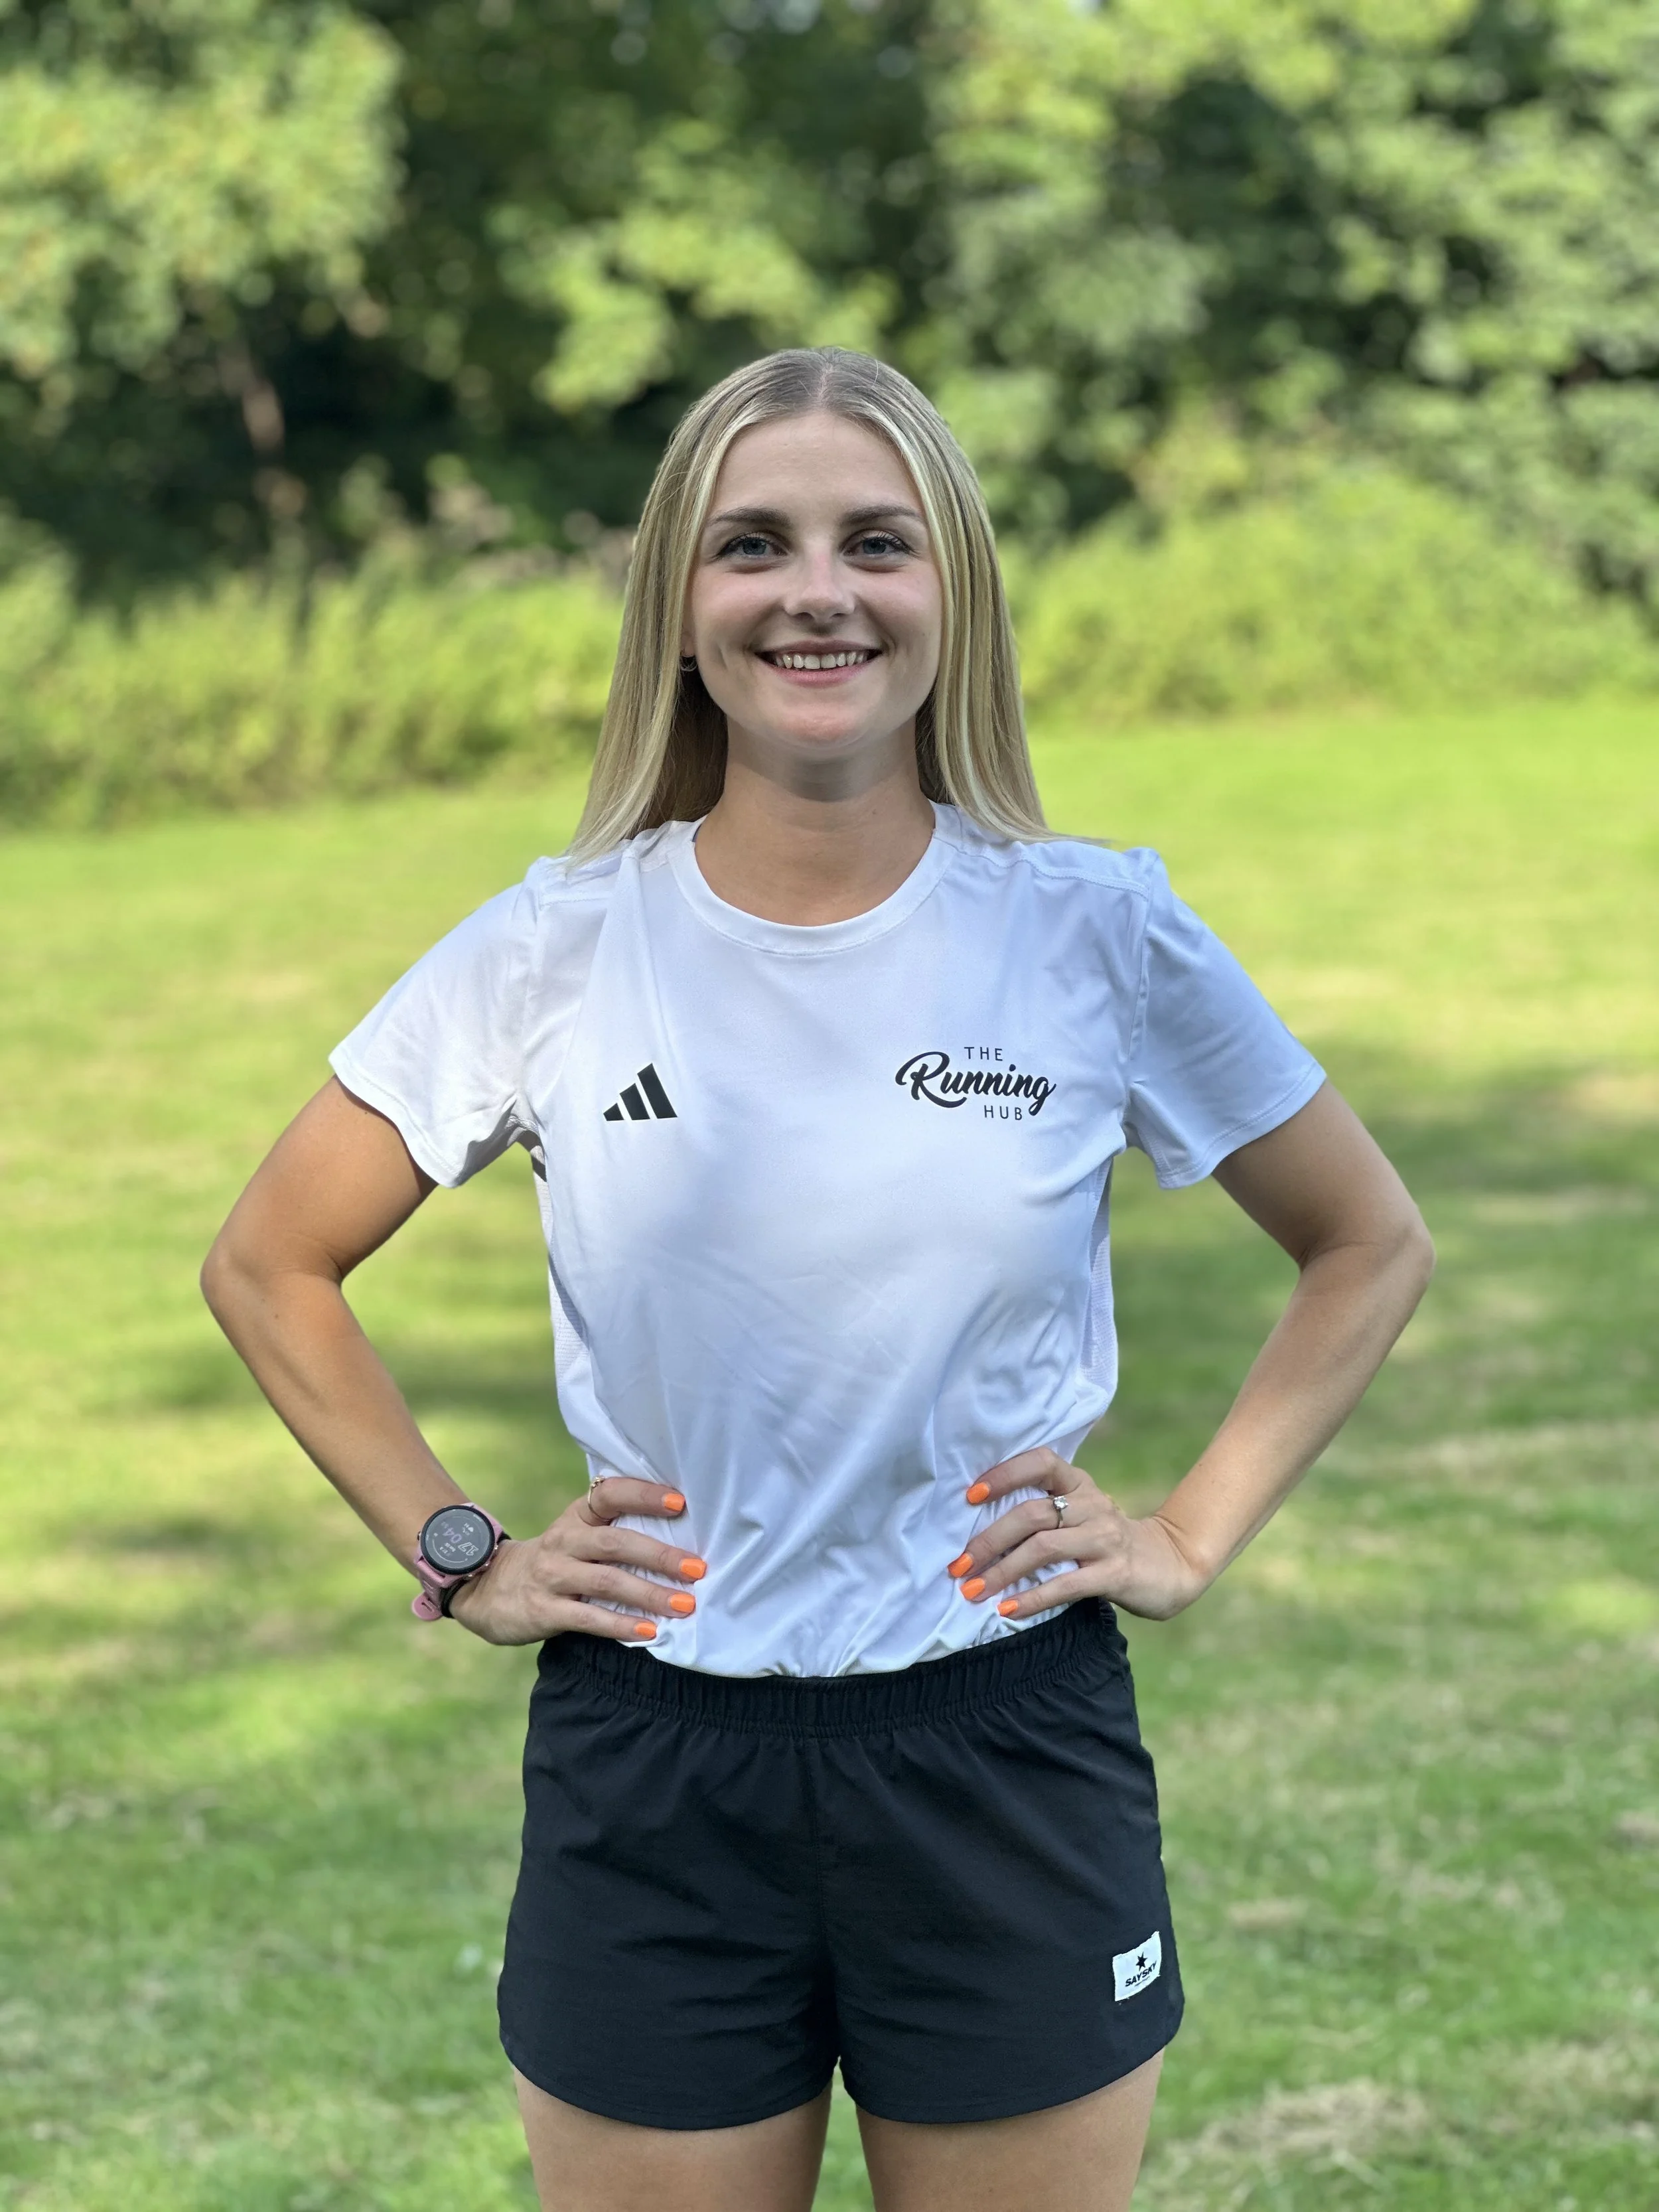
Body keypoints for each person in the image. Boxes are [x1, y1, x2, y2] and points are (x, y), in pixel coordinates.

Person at [202, 346, 1434, 2212]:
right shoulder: (550, 947)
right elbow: (270, 1262)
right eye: (750, 545)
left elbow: (1365, 1242)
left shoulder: (1091, 928)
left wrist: (1183, 1534)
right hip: (655, 1751)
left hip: (1001, 1740)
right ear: (677, 611)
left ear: (952, 592)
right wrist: (464, 1554)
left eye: (877, 540)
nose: (816, 593)